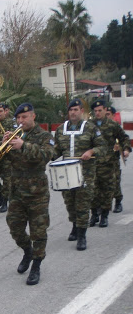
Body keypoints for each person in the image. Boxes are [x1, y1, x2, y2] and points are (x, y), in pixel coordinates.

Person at [2, 103, 55, 285]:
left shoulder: (44, 136)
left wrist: (23, 145)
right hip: (17, 190)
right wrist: (3, 145)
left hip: (37, 192)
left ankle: (37, 265)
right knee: (14, 226)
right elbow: (1, 158)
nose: (20, 121)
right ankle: (28, 251)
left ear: (33, 116)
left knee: (38, 231)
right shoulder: (16, 135)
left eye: (24, 117)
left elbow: (46, 155)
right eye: (18, 118)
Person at [53, 99, 106, 251]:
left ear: (82, 111)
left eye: (76, 110)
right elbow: (57, 150)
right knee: (70, 203)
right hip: (66, 173)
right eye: (71, 110)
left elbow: (102, 147)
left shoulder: (90, 128)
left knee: (82, 204)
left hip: (85, 172)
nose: (73, 112)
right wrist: (48, 155)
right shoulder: (60, 129)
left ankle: (82, 235)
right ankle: (75, 225)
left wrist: (91, 151)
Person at [88, 100, 131, 227]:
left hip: (108, 163)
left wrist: (126, 149)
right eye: (95, 111)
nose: (97, 113)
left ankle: (104, 216)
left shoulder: (112, 125)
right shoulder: (89, 125)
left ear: (105, 110)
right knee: (92, 190)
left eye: (100, 110)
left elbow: (124, 138)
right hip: (93, 163)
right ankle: (94, 214)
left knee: (107, 190)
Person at [107, 106, 126, 213]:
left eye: (108, 114)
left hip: (113, 159)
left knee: (115, 181)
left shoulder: (115, 127)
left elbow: (123, 140)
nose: (106, 116)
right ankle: (102, 205)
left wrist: (123, 149)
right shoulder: (97, 126)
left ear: (113, 116)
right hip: (100, 160)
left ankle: (118, 202)